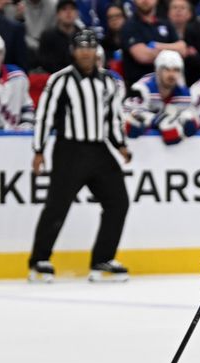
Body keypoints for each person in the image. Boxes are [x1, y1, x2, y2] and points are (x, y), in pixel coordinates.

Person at [29, 29, 131, 283]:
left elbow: (113, 117)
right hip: (69, 149)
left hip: (99, 149)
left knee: (118, 201)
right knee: (57, 205)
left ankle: (102, 259)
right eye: (81, 46)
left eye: (91, 46)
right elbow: (44, 115)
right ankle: (39, 261)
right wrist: (39, 150)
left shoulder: (108, 81)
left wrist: (120, 145)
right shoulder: (60, 80)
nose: (86, 51)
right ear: (73, 51)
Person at [123, 49, 199, 144]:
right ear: (158, 71)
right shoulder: (142, 88)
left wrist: (184, 121)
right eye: (167, 69)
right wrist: (158, 120)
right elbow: (129, 116)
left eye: (176, 70)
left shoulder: (183, 92)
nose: (172, 74)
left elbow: (194, 118)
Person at [122, 0, 186, 87]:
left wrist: (157, 46)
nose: (145, 1)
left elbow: (183, 49)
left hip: (170, 87)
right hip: (140, 87)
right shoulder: (129, 26)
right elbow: (143, 56)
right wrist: (172, 51)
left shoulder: (165, 22)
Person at [38, 0, 81, 74]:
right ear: (58, 14)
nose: (68, 12)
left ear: (77, 14)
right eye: (64, 9)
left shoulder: (81, 35)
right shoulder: (47, 36)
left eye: (72, 9)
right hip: (53, 76)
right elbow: (44, 62)